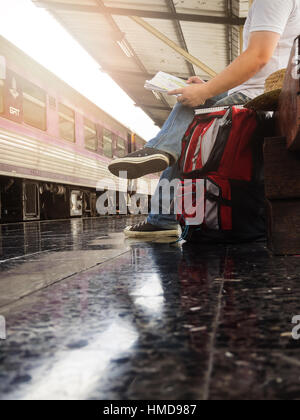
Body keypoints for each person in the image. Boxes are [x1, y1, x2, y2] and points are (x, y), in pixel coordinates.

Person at [108, 0, 300, 238]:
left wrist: (205, 92)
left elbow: (259, 57)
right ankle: (161, 155)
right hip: (265, 91)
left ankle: (161, 192)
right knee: (192, 103)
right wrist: (208, 86)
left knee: (191, 127)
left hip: (259, 96)